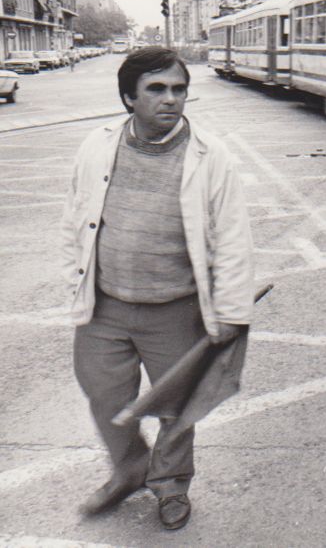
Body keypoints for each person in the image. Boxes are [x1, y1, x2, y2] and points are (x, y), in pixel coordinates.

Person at [60, 46, 254, 530]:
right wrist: (75, 278)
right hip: (106, 306)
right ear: (129, 98)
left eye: (179, 89)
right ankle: (129, 470)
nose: (171, 99)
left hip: (175, 308)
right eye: (157, 89)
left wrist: (231, 311)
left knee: (176, 408)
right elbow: (74, 219)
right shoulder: (98, 145)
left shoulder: (211, 157)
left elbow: (232, 237)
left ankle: (170, 485)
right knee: (104, 399)